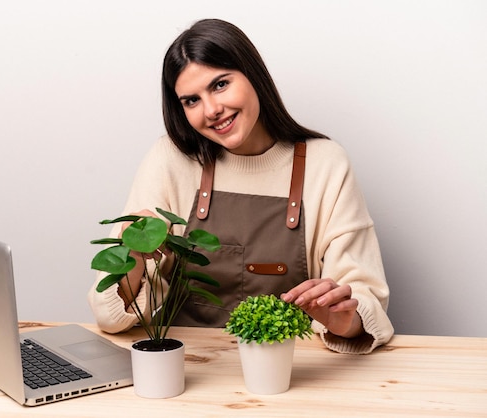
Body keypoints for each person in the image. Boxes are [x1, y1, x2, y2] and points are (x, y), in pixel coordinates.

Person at [88, 18, 393, 354]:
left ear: (253, 74)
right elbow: (111, 318)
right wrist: (132, 250)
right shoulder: (171, 159)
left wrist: (338, 317)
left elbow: (366, 301)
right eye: (191, 100)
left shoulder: (325, 163)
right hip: (190, 370)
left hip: (290, 373)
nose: (212, 110)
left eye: (220, 85)